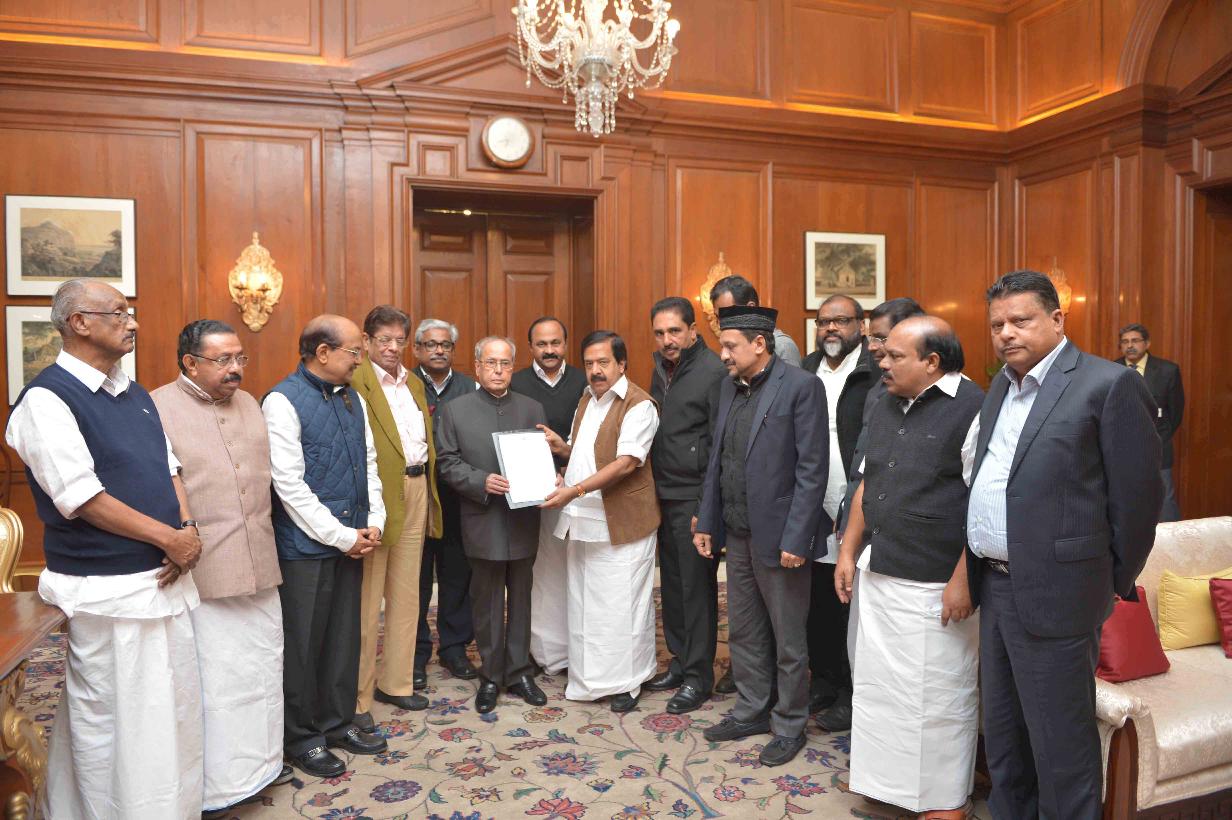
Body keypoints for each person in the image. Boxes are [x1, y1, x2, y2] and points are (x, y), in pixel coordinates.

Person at [7, 279, 204, 819]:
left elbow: (169, 469)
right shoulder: (46, 400)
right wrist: (170, 539)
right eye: (118, 313)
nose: (132, 322)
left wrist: (186, 529)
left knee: (171, 713)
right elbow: (82, 498)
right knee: (114, 723)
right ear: (79, 323)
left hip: (164, 578)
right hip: (107, 589)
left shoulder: (134, 393)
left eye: (129, 312)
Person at [968, 271, 1162, 819]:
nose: (1007, 333)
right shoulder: (1002, 386)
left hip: (1061, 593)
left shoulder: (1107, 384)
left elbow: (1138, 502)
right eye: (997, 325)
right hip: (996, 586)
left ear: (1057, 319)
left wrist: (1105, 581)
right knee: (1004, 736)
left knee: (1061, 748)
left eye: (1020, 320)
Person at [836, 316, 984, 818]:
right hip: (881, 568)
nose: (882, 362)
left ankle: (944, 800)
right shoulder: (884, 400)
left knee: (937, 693)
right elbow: (868, 481)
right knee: (880, 686)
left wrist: (964, 579)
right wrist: (847, 551)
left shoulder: (973, 408)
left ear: (932, 361)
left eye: (895, 356)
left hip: (936, 579)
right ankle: (887, 784)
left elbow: (985, 502)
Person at [151, 320, 291, 814]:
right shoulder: (157, 407)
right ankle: (218, 786)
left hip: (261, 560)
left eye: (240, 358)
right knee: (217, 683)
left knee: (263, 670)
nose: (236, 368)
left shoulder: (250, 403)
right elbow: (156, 484)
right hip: (204, 568)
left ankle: (263, 767)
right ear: (190, 363)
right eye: (223, 359)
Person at [695, 305, 828, 767]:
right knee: (745, 629)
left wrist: (797, 537)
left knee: (788, 638)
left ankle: (789, 723)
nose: (723, 355)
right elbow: (718, 460)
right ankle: (751, 709)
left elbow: (812, 469)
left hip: (780, 536)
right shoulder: (728, 388)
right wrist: (707, 520)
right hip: (737, 531)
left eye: (730, 346)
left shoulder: (802, 387)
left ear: (759, 344)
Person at [263, 315, 388, 777]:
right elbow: (289, 486)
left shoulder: (353, 397)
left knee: (343, 639)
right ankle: (302, 737)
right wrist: (342, 536)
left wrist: (373, 521)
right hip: (305, 549)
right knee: (304, 645)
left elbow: (369, 464)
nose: (360, 359)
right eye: (354, 351)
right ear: (322, 353)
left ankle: (337, 723)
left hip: (352, 540)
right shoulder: (281, 401)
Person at [817, 296, 925, 732]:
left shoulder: (953, 398)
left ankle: (860, 700)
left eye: (883, 339)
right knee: (845, 611)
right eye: (875, 338)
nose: (875, 347)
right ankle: (846, 691)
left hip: (906, 537)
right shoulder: (882, 388)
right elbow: (866, 461)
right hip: (855, 509)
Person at [541, 331, 661, 713]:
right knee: (586, 602)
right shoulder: (586, 401)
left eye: (603, 362)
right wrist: (562, 451)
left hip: (622, 522)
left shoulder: (640, 405)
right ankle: (589, 677)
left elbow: (625, 463)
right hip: (583, 520)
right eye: (589, 363)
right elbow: (587, 454)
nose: (595, 370)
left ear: (621, 364)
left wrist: (574, 490)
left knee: (622, 605)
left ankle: (629, 681)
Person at [435, 336, 550, 713]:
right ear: (477, 366)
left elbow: (542, 458)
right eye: (490, 363)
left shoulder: (532, 408)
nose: (498, 371)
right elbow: (447, 462)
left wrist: (547, 478)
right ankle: (490, 675)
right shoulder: (455, 410)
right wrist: (480, 481)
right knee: (485, 601)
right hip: (481, 517)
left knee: (522, 597)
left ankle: (518, 673)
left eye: (505, 364)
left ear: (512, 367)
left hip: (523, 518)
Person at [350, 306, 443, 726]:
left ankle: (397, 682)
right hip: (378, 493)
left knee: (408, 593)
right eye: (383, 339)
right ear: (366, 341)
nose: (392, 347)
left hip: (417, 486)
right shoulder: (356, 380)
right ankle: (359, 696)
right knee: (368, 599)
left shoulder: (414, 383)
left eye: (398, 340)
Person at [644, 297, 727, 713]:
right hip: (664, 493)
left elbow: (718, 446)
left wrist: (705, 508)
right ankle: (680, 662)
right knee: (673, 587)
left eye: (675, 331)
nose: (667, 340)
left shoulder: (713, 372)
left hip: (694, 497)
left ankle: (698, 677)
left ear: (693, 330)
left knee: (697, 591)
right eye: (659, 333)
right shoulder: (661, 369)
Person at [798, 294, 874, 727]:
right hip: (813, 501)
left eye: (841, 321)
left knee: (851, 601)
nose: (830, 328)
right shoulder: (805, 369)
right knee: (817, 600)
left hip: (856, 502)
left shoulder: (873, 371)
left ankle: (850, 690)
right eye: (823, 321)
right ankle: (823, 681)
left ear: (861, 326)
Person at [509, 316, 587, 676]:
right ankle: (543, 652)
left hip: (581, 490)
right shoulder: (517, 382)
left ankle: (578, 648)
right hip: (533, 495)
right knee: (542, 573)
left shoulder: (585, 381)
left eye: (556, 342)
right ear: (530, 348)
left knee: (578, 571)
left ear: (566, 344)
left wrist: (568, 469)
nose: (550, 350)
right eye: (542, 344)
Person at [412, 318, 480, 687]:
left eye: (445, 345)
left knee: (457, 574)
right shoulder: (404, 385)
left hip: (459, 496)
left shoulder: (471, 388)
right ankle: (416, 651)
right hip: (417, 495)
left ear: (453, 350)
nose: (439, 350)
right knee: (416, 577)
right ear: (417, 350)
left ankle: (454, 648)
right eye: (431, 344)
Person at [1115, 323, 1184, 521]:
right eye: (1125, 342)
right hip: (1121, 448)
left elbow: (1175, 412)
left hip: (1158, 444)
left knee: (1164, 499)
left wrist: (1159, 435)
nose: (1130, 345)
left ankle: (1170, 538)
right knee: (1125, 499)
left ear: (1147, 343)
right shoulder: (1110, 369)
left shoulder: (1168, 370)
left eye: (1135, 341)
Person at [709, 274, 802, 367]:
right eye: (718, 317)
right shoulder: (731, 348)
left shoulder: (782, 347)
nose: (721, 324)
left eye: (728, 315)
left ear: (750, 308)